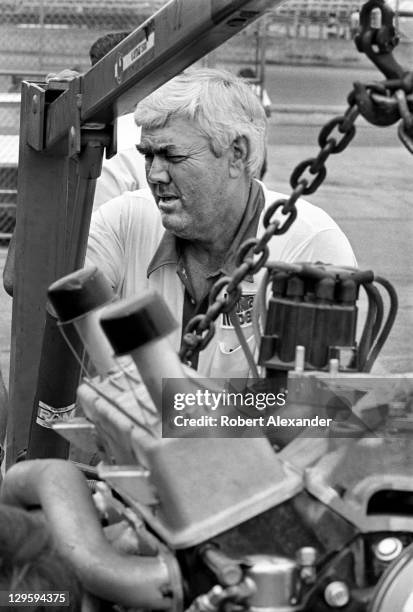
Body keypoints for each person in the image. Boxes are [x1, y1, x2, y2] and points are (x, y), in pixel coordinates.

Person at [86, 68, 357, 379]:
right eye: (148, 156)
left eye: (172, 156)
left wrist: (182, 412)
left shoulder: (311, 244)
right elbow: (31, 286)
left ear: (236, 154)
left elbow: (320, 409)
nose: (154, 175)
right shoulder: (127, 219)